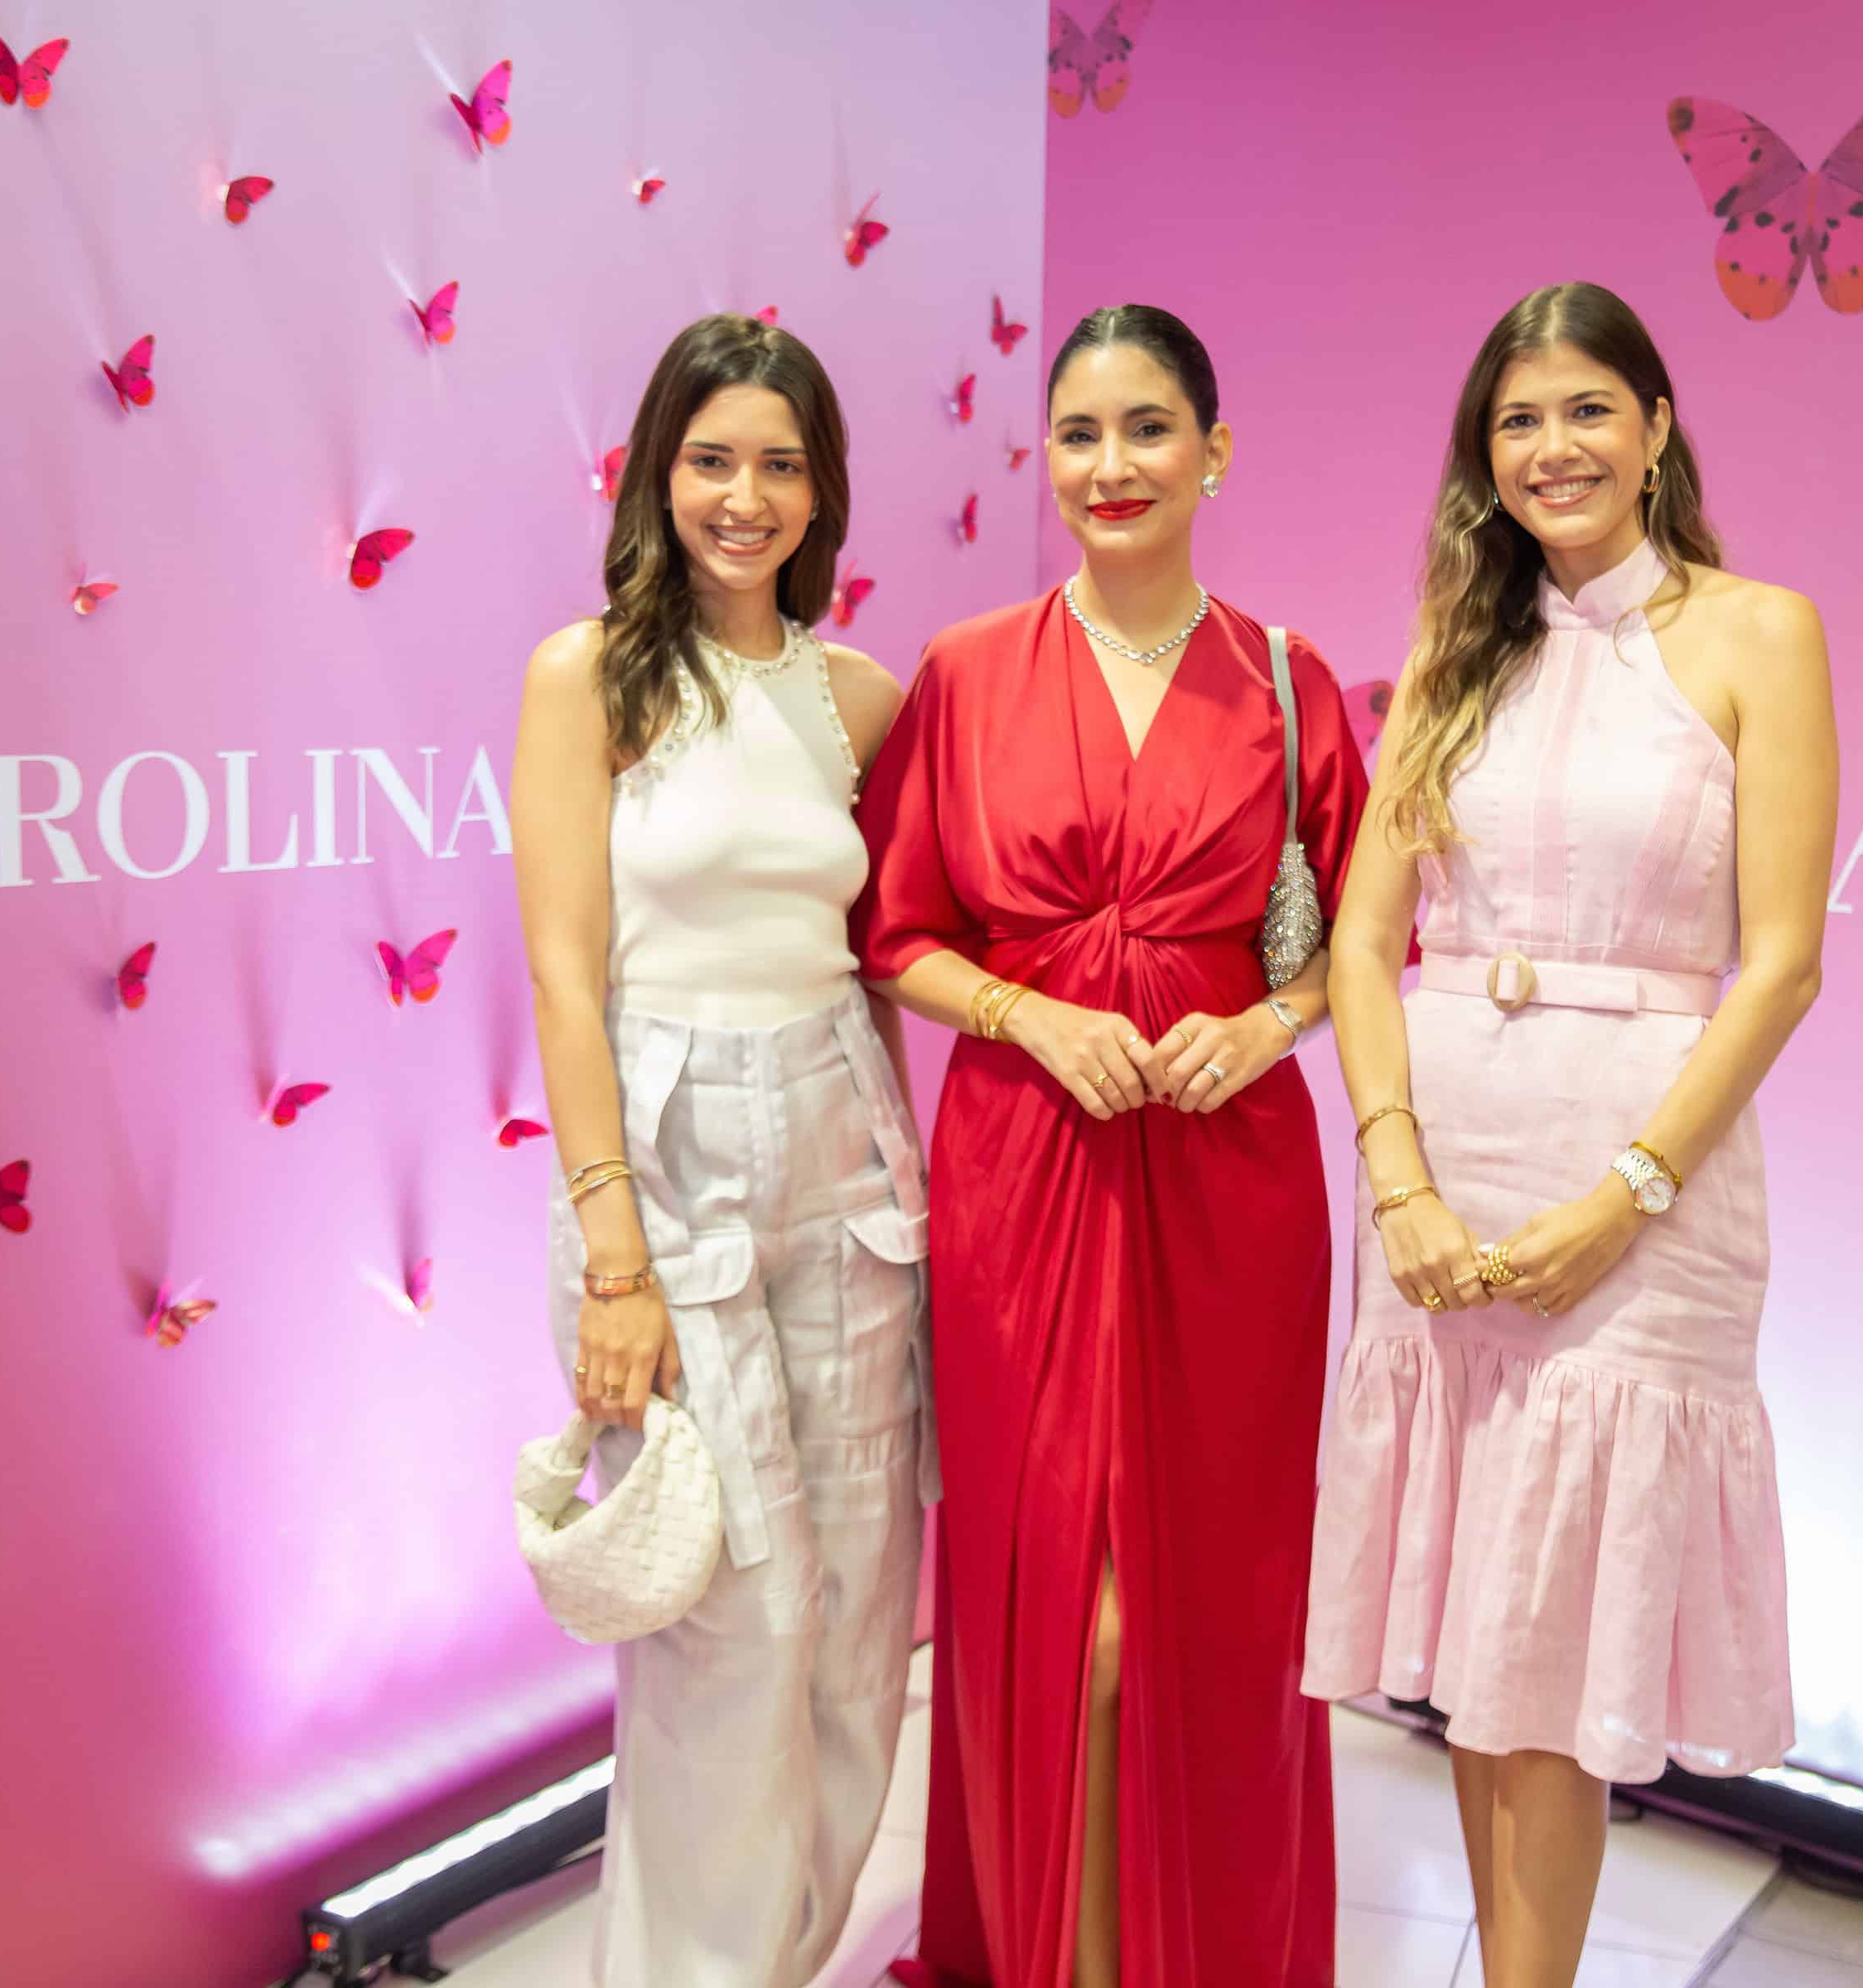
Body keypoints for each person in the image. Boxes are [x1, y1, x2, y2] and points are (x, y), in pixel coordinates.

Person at [1305, 281, 1836, 1988]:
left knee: (1554, 1649)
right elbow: (1361, 940)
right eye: (1519, 420)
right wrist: (1393, 1172)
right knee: (1477, 1635)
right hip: (1446, 1183)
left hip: (1644, 1192)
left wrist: (1633, 1192)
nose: (1554, 448)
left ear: (1659, 426)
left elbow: (1783, 965)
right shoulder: (1462, 644)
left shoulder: (1762, 632)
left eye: (1588, 409)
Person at [857, 305, 1363, 1988]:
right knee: (1062, 1625)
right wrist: (1026, 1017)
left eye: (1149, 429)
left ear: (1216, 451)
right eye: (1078, 433)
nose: (1110, 466)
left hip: (1232, 1194)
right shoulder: (967, 672)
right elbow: (901, 929)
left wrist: (1267, 1025)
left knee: (1200, 1626)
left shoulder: (1290, 685)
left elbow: (1353, 945)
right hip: (1021, 1180)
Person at [508, 312, 931, 1987]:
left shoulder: (859, 695)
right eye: (710, 459)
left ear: (822, 492)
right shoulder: (588, 676)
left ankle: (778, 1963)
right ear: (655, 471)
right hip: (665, 1170)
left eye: (778, 463)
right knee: (724, 1626)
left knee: (847, 1627)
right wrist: (616, 1256)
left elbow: (883, 961)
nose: (742, 496)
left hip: (846, 1152)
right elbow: (561, 969)